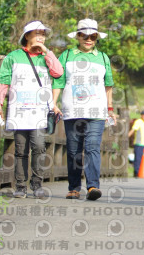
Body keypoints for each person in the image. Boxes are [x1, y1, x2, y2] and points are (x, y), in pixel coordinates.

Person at [0, 20, 64, 198]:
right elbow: (3, 81)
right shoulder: (12, 57)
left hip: (39, 111)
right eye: (36, 32)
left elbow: (58, 73)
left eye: (43, 33)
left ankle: (37, 183)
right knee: (20, 149)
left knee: (39, 146)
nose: (41, 36)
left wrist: (46, 51)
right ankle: (21, 186)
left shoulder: (46, 58)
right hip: (19, 111)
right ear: (27, 36)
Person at [52, 19, 116, 201]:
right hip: (72, 111)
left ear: (96, 37)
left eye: (93, 36)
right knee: (73, 150)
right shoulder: (66, 55)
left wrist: (110, 109)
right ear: (78, 36)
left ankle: (93, 186)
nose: (88, 39)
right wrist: (54, 103)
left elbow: (108, 85)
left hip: (96, 112)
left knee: (92, 147)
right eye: (84, 35)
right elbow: (58, 81)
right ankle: (74, 187)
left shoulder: (103, 58)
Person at [127, 110, 144, 177]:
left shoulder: (143, 123)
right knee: (138, 159)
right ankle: (137, 173)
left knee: (141, 159)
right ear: (141, 115)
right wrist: (127, 136)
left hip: (143, 144)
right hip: (139, 144)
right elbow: (133, 129)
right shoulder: (139, 121)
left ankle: (139, 172)